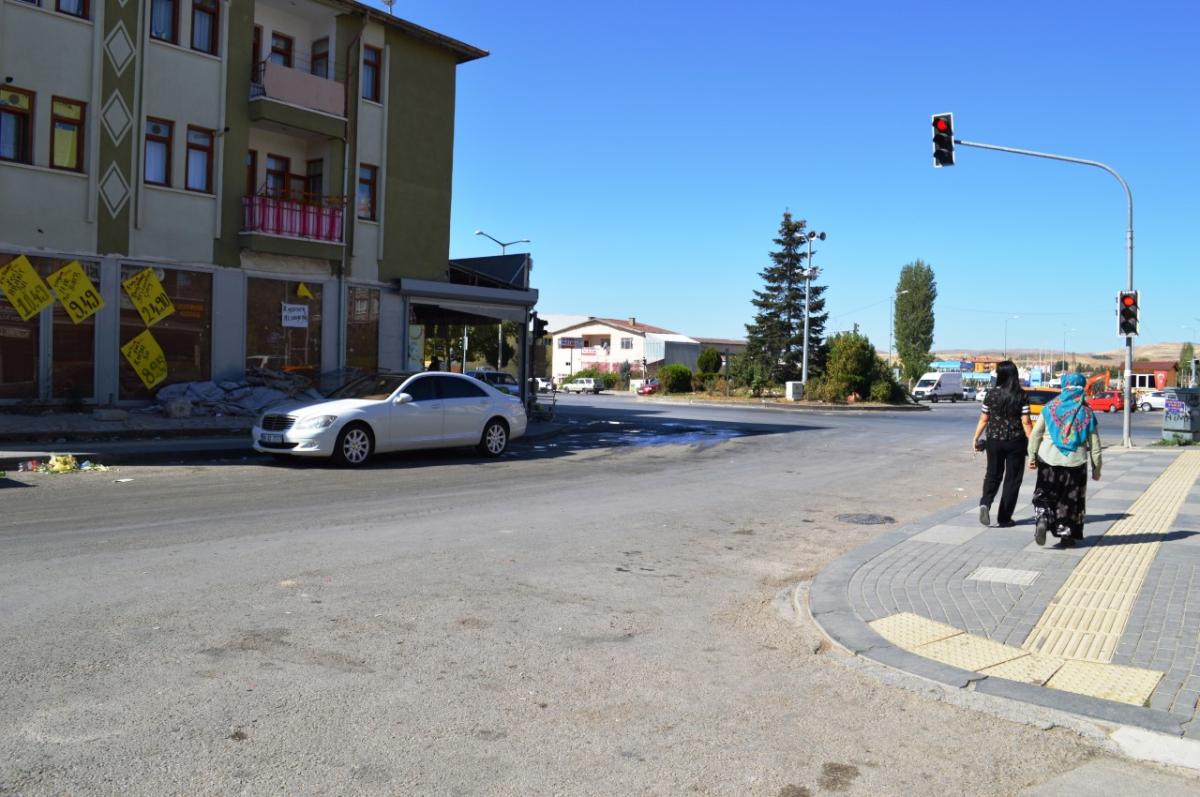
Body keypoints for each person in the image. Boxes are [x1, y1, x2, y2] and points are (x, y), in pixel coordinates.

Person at [1027, 372, 1102, 547]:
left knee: (1044, 494)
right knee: (1070, 501)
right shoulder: (1087, 413)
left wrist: (1032, 456)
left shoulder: (1049, 408)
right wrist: (1097, 469)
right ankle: (1066, 535)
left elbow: (1036, 435)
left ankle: (1043, 518)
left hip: (1048, 461)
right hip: (1075, 463)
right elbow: (1095, 445)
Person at [970, 361, 1033, 528]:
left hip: (994, 441)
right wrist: (1033, 446)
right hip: (1016, 442)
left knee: (992, 474)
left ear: (1000, 375)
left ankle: (985, 502)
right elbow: (1026, 422)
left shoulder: (991, 394)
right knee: (1012, 479)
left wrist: (976, 437)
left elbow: (984, 418)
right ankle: (1004, 517)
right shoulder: (1021, 395)